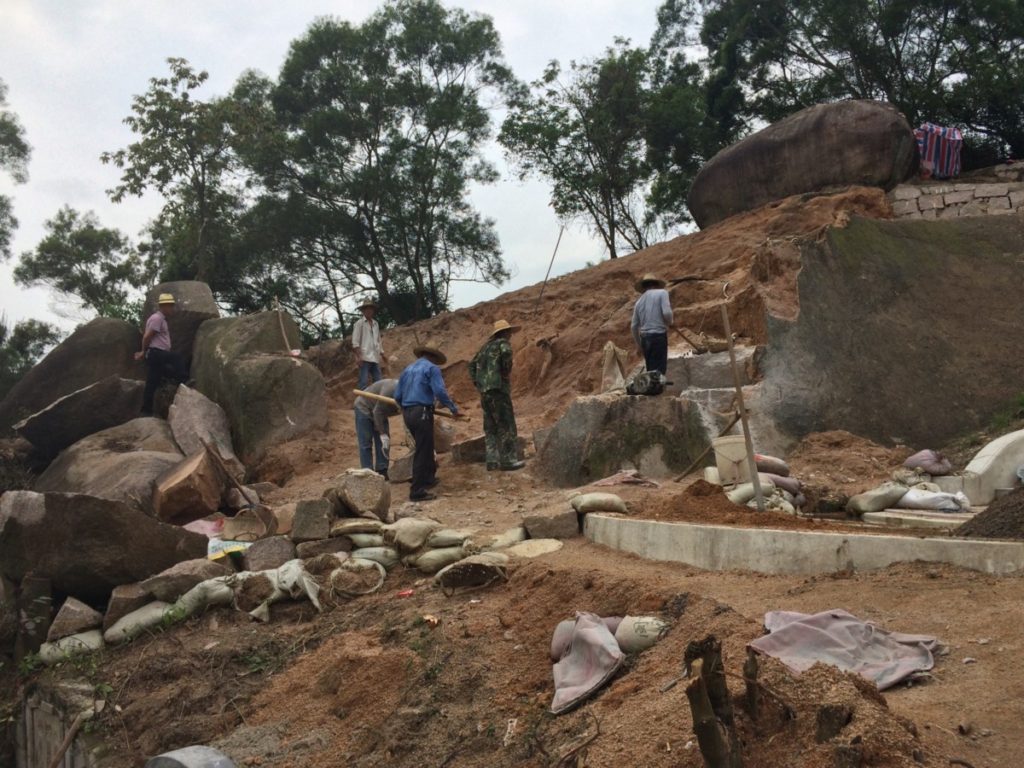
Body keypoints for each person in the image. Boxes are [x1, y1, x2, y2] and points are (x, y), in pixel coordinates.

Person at [393, 344, 458, 502]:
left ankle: (428, 478)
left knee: (427, 446)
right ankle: (417, 490)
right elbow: (440, 391)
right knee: (423, 450)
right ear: (434, 357)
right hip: (421, 411)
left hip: (408, 412)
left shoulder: (407, 369)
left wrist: (407, 409)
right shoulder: (432, 369)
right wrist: (453, 408)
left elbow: (397, 396)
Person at [469, 319, 524, 471]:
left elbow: (471, 365)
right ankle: (508, 460)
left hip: (485, 392)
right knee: (506, 424)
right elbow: (506, 355)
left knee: (490, 426)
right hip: (499, 389)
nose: (511, 335)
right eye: (509, 332)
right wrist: (505, 372)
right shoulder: (503, 344)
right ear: (505, 332)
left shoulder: (484, 348)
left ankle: (491, 460)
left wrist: (478, 382)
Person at [136, 293, 189, 416]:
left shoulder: (159, 319)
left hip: (156, 354)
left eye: (172, 305)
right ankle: (184, 380)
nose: (172, 308)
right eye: (170, 305)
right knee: (177, 358)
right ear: (163, 306)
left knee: (153, 381)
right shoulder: (157, 318)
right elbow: (147, 336)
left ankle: (146, 410)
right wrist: (143, 351)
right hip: (156, 352)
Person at [354, 377, 399, 479]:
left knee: (384, 443)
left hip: (381, 411)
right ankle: (368, 472)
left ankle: (382, 470)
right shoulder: (390, 390)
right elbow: (377, 412)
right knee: (366, 442)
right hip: (364, 407)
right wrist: (382, 433)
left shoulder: (407, 393)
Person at [630, 273, 673, 375]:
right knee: (658, 374)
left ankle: (652, 390)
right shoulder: (662, 293)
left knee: (651, 373)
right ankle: (657, 390)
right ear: (656, 284)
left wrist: (639, 344)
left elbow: (633, 326)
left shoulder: (638, 302)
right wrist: (670, 322)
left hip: (645, 339)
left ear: (644, 287)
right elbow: (667, 312)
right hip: (658, 337)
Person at [352, 299, 386, 389]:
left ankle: (377, 401)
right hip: (364, 357)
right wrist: (359, 357)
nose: (369, 311)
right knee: (363, 382)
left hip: (374, 357)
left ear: (373, 310)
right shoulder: (359, 324)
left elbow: (378, 340)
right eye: (366, 309)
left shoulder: (376, 324)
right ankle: (361, 401)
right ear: (363, 311)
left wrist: (382, 353)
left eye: (370, 309)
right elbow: (355, 342)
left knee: (379, 381)